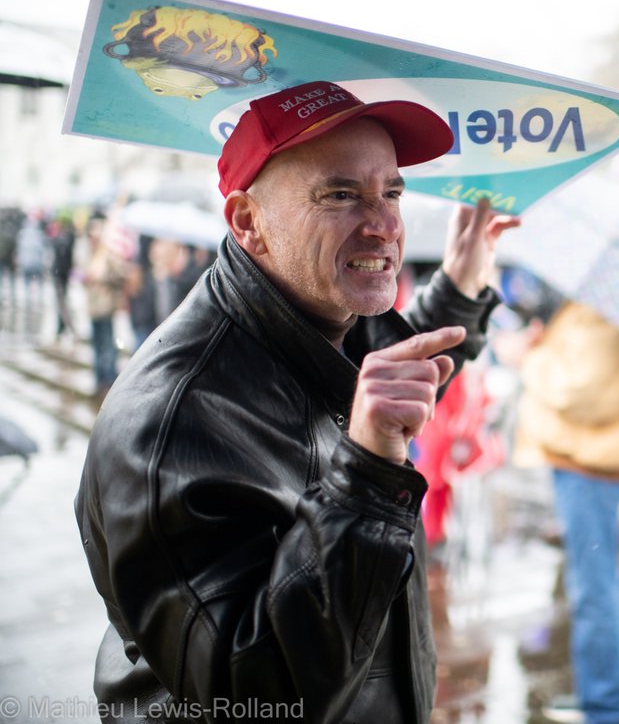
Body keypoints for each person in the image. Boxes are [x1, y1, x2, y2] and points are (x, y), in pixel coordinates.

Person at [75, 80, 518, 724]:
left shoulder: (316, 309)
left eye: (391, 191)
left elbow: (383, 381)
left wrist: (457, 291)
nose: (386, 224)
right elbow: (252, 697)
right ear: (248, 222)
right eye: (340, 195)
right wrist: (367, 475)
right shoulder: (169, 425)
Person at [511, 300, 619, 724]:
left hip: (591, 465)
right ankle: (601, 696)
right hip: (582, 459)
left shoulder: (610, 308)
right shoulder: (594, 303)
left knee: (594, 588)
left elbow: (581, 391)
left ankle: (606, 706)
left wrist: (529, 358)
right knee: (592, 584)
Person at [81, 214, 128, 394]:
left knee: (108, 344)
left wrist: (105, 277)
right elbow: (82, 275)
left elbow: (120, 276)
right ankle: (99, 378)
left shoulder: (107, 255)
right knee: (97, 344)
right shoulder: (87, 255)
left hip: (106, 307)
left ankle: (109, 379)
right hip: (93, 308)